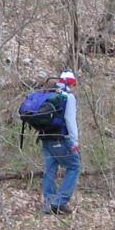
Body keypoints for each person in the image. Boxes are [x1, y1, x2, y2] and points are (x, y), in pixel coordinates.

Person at [40, 70, 81, 215]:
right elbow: (70, 120)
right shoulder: (68, 97)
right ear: (71, 83)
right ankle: (59, 201)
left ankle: (48, 203)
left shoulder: (48, 94)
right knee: (75, 166)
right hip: (60, 138)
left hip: (45, 138)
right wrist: (75, 141)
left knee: (50, 169)